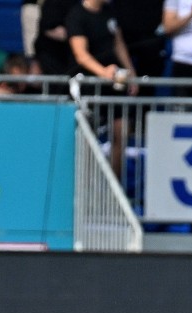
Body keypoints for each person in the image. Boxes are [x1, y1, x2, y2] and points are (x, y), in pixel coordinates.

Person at [68, 0, 138, 180]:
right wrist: (103, 72)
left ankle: (115, 186)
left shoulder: (109, 12)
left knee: (121, 132)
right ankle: (87, 184)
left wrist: (131, 72)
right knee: (88, 138)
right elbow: (81, 54)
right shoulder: (77, 15)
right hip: (90, 84)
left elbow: (118, 43)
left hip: (115, 83)